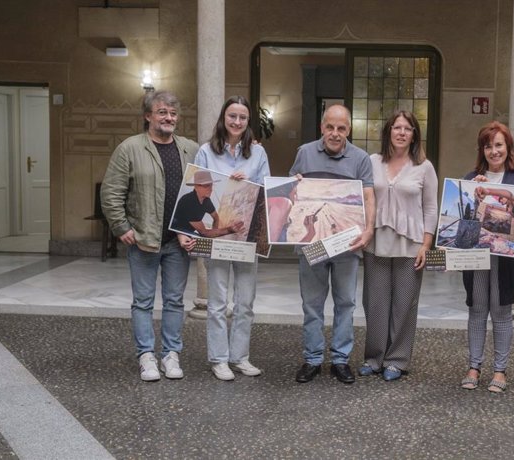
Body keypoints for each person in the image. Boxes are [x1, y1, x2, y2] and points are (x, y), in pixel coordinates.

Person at [101, 90, 199, 381]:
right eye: (162, 113)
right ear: (148, 116)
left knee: (174, 301)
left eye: (173, 114)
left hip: (177, 242)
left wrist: (248, 145)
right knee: (142, 301)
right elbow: (111, 193)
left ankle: (171, 355)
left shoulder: (190, 149)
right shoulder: (129, 148)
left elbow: (213, 174)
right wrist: (122, 227)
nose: (169, 118)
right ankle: (146, 356)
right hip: (143, 240)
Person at [178, 96, 270, 381]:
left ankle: (240, 357)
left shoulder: (257, 153)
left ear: (248, 121)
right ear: (223, 118)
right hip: (217, 235)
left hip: (246, 237)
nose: (237, 122)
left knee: (245, 302)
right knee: (217, 302)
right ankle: (219, 359)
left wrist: (251, 182)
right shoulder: (206, 151)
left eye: (243, 117)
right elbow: (197, 188)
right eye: (233, 116)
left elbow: (266, 190)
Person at [290, 104, 375, 384]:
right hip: (311, 245)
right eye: (330, 127)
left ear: (349, 130)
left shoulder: (361, 159)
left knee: (346, 303)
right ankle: (312, 359)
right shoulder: (304, 153)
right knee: (312, 304)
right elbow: (291, 192)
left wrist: (368, 230)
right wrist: (293, 185)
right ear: (321, 127)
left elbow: (369, 197)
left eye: (341, 128)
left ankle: (340, 360)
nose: (335, 133)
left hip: (346, 244)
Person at [359, 111, 438, 381]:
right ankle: (374, 357)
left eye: (408, 128)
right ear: (388, 131)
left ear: (414, 134)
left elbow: (430, 207)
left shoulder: (424, 166)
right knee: (375, 302)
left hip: (410, 244)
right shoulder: (371, 161)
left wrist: (426, 244)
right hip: (377, 242)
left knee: (404, 303)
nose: (402, 132)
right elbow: (361, 197)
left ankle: (397, 360)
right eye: (397, 127)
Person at [460, 121, 514, 393]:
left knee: (501, 311)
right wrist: (473, 196)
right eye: (488, 146)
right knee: (477, 309)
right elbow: (465, 220)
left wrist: (493, 192)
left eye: (499, 145)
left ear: (508, 147)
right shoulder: (471, 177)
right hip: (477, 256)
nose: (494, 151)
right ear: (482, 150)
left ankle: (500, 370)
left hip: (506, 257)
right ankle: (474, 366)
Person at [171, 170, 245, 238]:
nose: (211, 189)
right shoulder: (189, 201)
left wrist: (215, 232)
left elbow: (216, 217)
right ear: (196, 187)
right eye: (206, 186)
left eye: (211, 185)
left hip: (189, 231)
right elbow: (204, 233)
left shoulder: (206, 200)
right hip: (176, 232)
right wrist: (229, 230)